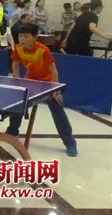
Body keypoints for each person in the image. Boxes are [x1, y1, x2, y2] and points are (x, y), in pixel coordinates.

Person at [5, 23, 77, 157]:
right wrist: (18, 80)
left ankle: (70, 142)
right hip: (30, 82)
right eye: (20, 36)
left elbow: (53, 71)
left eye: (26, 36)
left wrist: (56, 91)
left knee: (57, 109)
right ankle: (13, 130)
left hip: (48, 84)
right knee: (18, 103)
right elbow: (15, 63)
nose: (22, 39)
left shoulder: (43, 50)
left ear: (35, 37)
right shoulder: (19, 49)